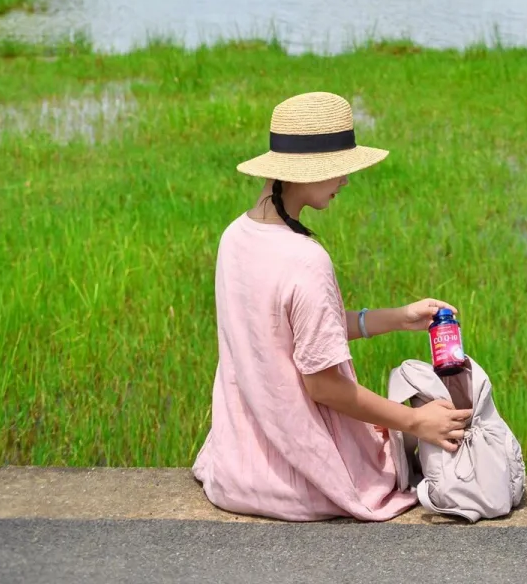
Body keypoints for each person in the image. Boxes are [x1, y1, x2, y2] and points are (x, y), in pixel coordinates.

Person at [192, 90, 472, 521]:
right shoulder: (306, 259)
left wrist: (397, 318)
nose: (345, 180)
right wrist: (416, 423)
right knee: (434, 413)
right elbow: (323, 387)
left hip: (235, 470)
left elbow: (287, 333)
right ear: (304, 171)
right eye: (340, 169)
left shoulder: (236, 237)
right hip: (304, 480)